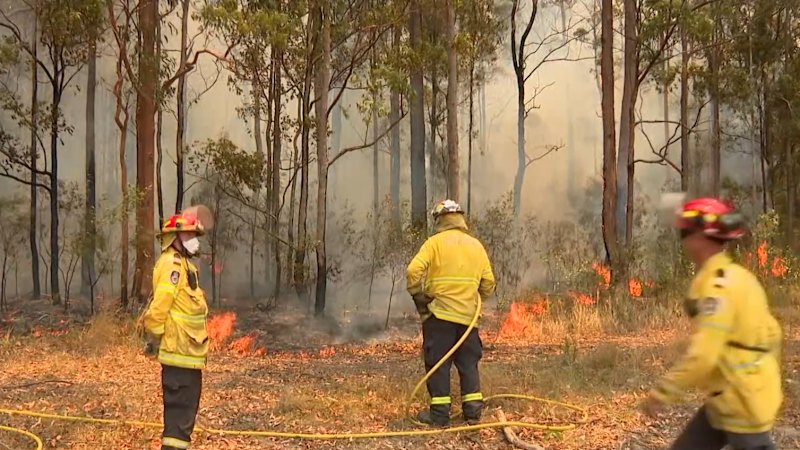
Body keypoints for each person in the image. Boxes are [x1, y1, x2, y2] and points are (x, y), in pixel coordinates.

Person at [641, 197, 783, 450]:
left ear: (701, 237)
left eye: (686, 232)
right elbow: (773, 336)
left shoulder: (717, 288)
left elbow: (704, 355)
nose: (684, 239)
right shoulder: (740, 278)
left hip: (742, 404)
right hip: (729, 399)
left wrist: (663, 391)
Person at [406, 199, 496, 427]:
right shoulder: (476, 245)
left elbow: (413, 271)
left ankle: (439, 417)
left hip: (440, 318)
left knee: (438, 364)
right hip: (468, 319)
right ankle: (473, 414)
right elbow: (489, 283)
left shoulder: (434, 243)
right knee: (468, 364)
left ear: (439, 219)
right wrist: (474, 300)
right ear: (460, 218)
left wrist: (419, 298)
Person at [142, 212, 210, 450]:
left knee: (182, 426)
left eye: (194, 234)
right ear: (174, 237)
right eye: (189, 234)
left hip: (187, 357)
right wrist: (156, 338)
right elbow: (159, 308)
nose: (194, 239)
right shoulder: (172, 265)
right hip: (178, 357)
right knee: (177, 429)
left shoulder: (185, 265)